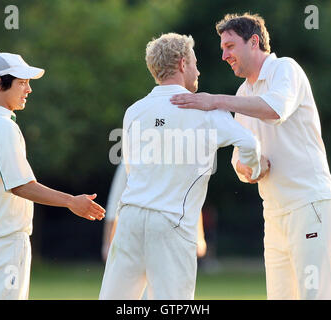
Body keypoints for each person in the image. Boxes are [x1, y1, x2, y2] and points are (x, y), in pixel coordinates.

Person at [170, 13, 331, 300]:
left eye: (230, 47)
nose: (225, 56)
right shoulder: (243, 92)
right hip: (274, 212)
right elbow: (238, 160)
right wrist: (250, 168)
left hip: (309, 203)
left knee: (317, 295)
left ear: (254, 42)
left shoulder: (285, 69)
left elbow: (275, 110)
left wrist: (215, 100)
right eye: (222, 49)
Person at [99, 33, 267, 300]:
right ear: (181, 64)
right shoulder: (207, 110)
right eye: (195, 62)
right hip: (172, 225)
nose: (198, 70)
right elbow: (249, 143)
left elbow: (131, 170)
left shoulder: (134, 111)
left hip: (130, 219)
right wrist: (252, 170)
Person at [0, 52, 105, 300]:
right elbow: (20, 185)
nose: (28, 89)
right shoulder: (2, 127)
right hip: (4, 243)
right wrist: (71, 201)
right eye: (21, 82)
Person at [101, 161, 207, 262]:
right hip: (136, 237)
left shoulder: (178, 160)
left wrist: (199, 237)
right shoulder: (131, 159)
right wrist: (107, 243)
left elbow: (190, 200)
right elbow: (115, 204)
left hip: (171, 238)